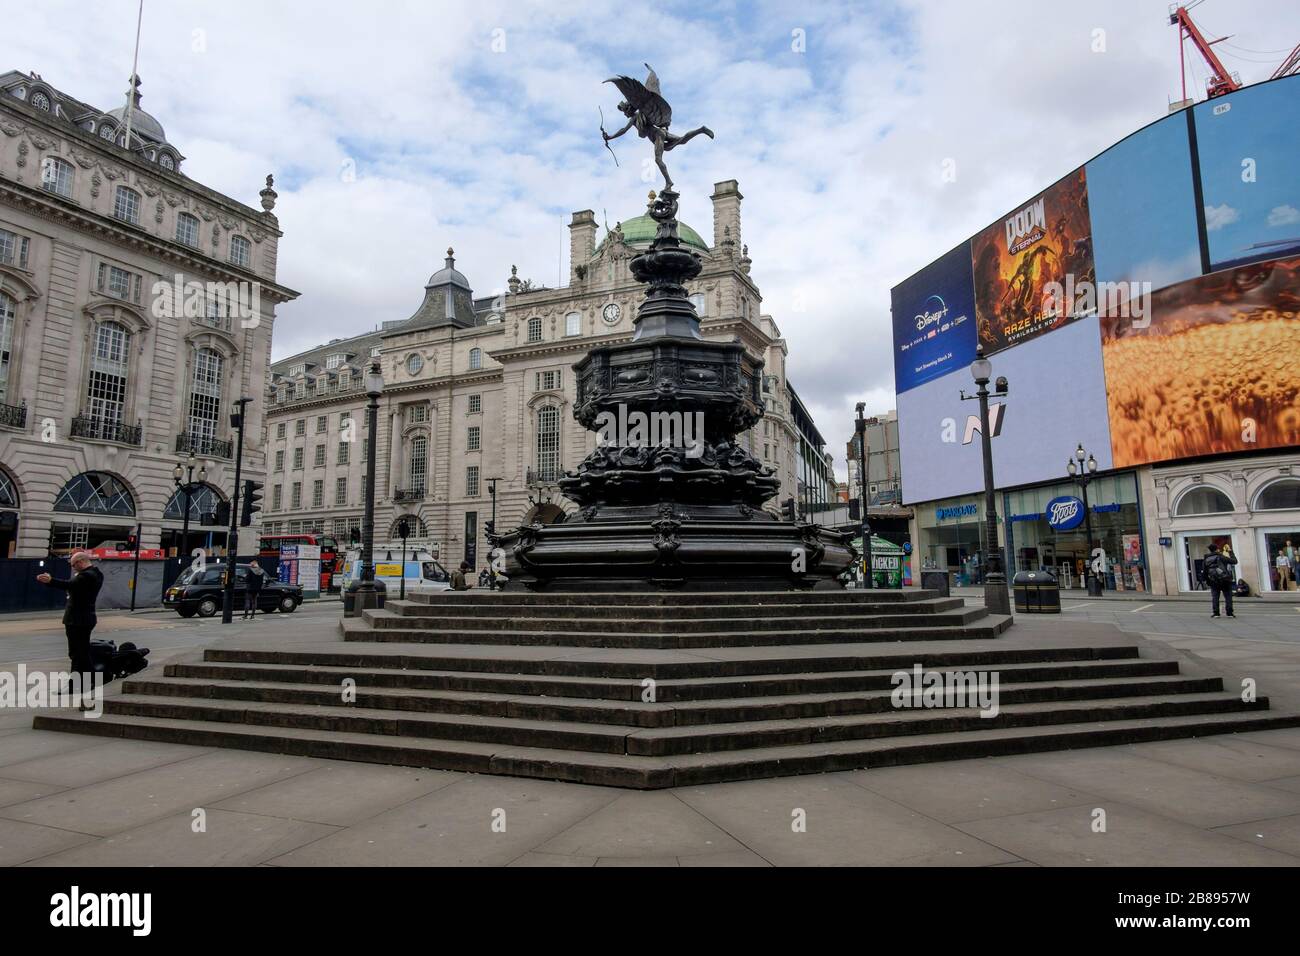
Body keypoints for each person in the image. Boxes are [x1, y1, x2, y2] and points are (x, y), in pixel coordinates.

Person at [36, 551, 104, 688]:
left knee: (77, 652)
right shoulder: (96, 574)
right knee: (81, 652)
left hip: (78, 619)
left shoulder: (87, 576)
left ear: (80, 562)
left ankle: (77, 683)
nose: (73, 568)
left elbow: (69, 585)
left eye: (73, 565)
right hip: (84, 618)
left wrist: (50, 581)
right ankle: (89, 680)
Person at [1203, 543, 1237, 618]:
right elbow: (1234, 561)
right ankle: (1229, 613)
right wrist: (1230, 552)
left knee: (1215, 597)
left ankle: (1216, 613)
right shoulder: (1221, 556)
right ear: (1217, 549)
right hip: (1225, 580)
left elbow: (1205, 572)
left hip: (1213, 581)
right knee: (1228, 597)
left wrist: (1208, 581)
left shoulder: (1206, 559)